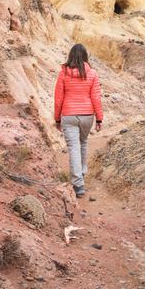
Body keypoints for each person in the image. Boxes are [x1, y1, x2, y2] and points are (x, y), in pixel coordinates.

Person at [53, 43, 103, 198]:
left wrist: (57, 118)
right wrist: (99, 118)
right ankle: (81, 173)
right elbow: (96, 97)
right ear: (85, 56)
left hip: (68, 115)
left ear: (70, 56)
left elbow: (58, 99)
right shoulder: (92, 73)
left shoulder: (63, 74)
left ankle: (78, 183)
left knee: (74, 147)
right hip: (87, 115)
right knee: (82, 143)